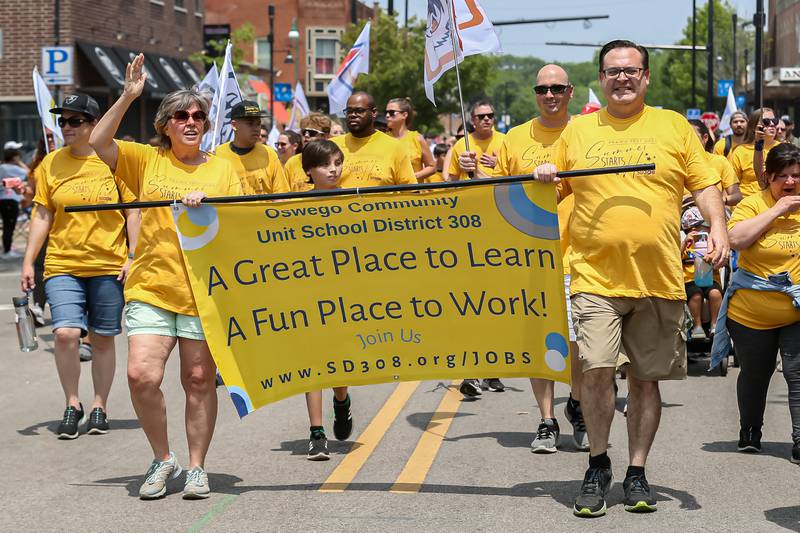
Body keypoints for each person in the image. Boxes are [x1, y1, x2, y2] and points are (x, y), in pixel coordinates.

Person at [534, 40, 729, 517]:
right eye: (612, 71)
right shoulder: (577, 131)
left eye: (631, 71)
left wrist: (719, 229)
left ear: (645, 76)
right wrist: (543, 175)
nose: (622, 78)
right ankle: (597, 464)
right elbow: (552, 187)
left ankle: (637, 470)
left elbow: (704, 184)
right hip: (593, 276)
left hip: (659, 278)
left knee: (645, 381)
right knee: (597, 371)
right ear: (601, 78)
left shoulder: (673, 127)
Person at [89, 54, 242, 500]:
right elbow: (100, 140)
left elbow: (240, 228)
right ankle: (163, 457)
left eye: (198, 115)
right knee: (141, 375)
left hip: (202, 290)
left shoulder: (223, 168)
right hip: (151, 286)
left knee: (197, 380)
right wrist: (128, 94)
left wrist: (208, 205)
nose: (191, 121)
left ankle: (196, 467)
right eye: (182, 115)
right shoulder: (145, 160)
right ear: (166, 124)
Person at [20, 93, 139, 440]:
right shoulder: (51, 164)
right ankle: (73, 403)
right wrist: (29, 261)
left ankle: (100, 404)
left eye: (75, 121)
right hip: (63, 263)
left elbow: (134, 211)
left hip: (108, 263)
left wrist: (134, 255)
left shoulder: (114, 159)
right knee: (66, 334)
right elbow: (43, 214)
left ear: (93, 125)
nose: (66, 127)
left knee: (102, 338)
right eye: (63, 121)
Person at [495, 64, 588, 453]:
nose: (548, 94)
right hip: (530, 257)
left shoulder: (586, 134)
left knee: (580, 345)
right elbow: (494, 195)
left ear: (570, 93)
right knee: (541, 342)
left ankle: (578, 405)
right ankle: (546, 420)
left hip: (578, 256)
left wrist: (561, 180)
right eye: (541, 89)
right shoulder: (515, 138)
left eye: (556, 88)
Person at [709, 142, 800, 463]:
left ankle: (799, 438)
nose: (790, 183)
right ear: (768, 177)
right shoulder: (752, 204)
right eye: (782, 177)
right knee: (755, 374)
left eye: (796, 176)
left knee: (797, 373)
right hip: (750, 315)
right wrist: (777, 211)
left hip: (795, 312)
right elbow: (736, 240)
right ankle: (750, 430)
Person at [298, 139, 354, 459]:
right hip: (311, 293)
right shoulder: (297, 202)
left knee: (340, 362)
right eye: (324, 165)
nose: (333, 170)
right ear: (309, 171)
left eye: (337, 162)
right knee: (313, 362)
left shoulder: (354, 200)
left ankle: (342, 400)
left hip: (346, 294)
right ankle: (316, 431)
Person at [331, 92, 416, 187]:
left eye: (359, 110)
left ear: (374, 113)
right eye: (349, 111)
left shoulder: (395, 147)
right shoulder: (332, 146)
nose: (352, 115)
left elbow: (411, 192)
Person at [215, 100, 290, 195]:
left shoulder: (269, 153)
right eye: (250, 123)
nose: (256, 128)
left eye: (258, 123)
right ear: (234, 125)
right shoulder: (218, 154)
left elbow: (282, 195)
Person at [680, 207, 723, 339]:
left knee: (715, 293)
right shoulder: (686, 244)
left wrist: (712, 257)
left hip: (710, 279)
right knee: (696, 296)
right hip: (690, 280)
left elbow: (721, 259)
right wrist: (684, 243)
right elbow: (675, 258)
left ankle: (715, 324)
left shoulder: (712, 244)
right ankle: (697, 326)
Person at [447, 100, 506, 181]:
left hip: (498, 191)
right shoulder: (461, 144)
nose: (486, 118)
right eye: (481, 116)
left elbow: (514, 172)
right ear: (472, 120)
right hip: (469, 192)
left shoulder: (505, 140)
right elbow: (452, 179)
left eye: (490, 115)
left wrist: (499, 163)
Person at [689, 119, 742, 206]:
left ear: (705, 138)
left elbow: (737, 196)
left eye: (692, 137)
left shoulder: (720, 161)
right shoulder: (676, 162)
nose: (688, 141)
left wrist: (720, 200)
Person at [730, 108, 779, 198]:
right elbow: (731, 186)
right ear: (754, 127)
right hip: (747, 205)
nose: (772, 124)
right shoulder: (740, 151)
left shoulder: (784, 147)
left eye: (774, 121)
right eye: (766, 121)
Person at [385, 97, 436, 182]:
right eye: (386, 112)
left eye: (391, 112)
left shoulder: (417, 138)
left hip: (413, 193)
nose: (387, 115)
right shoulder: (383, 138)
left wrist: (413, 176)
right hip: (389, 193)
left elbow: (432, 167)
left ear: (404, 115)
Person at [285, 113, 332, 192]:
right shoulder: (291, 163)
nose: (306, 136)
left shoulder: (333, 160)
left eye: (311, 133)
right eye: (304, 132)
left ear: (325, 136)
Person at [0, 144, 29, 258]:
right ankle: (7, 251)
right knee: (9, 226)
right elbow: (30, 173)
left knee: (7, 225)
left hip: (1, 199)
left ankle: (7, 249)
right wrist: (20, 162)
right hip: (11, 199)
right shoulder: (16, 169)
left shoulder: (1, 167)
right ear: (14, 157)